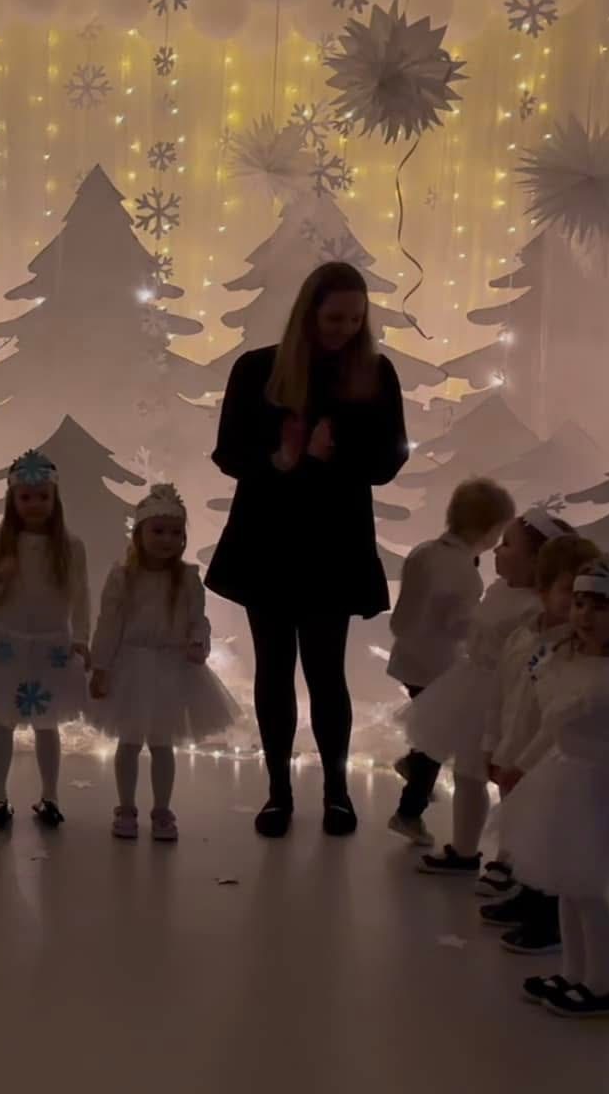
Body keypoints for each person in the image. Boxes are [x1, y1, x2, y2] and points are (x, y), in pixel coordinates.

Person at [208, 261, 410, 838]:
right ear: (309, 313)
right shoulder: (257, 369)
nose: (345, 329)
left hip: (333, 543)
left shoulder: (374, 374)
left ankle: (336, 794)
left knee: (326, 671)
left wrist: (331, 455)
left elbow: (388, 461)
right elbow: (228, 452)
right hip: (267, 539)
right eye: (334, 317)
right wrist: (281, 458)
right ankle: (278, 793)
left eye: (355, 318)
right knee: (272, 669)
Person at [502, 558, 609, 1019]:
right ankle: (572, 973)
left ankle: (599, 986)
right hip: (560, 783)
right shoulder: (565, 662)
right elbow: (553, 726)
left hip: (600, 794)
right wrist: (521, 765)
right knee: (566, 886)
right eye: (580, 603)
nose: (585, 614)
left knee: (588, 893)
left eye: (601, 607)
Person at [386, 486, 534, 861]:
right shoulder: (465, 574)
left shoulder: (424, 552)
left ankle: (415, 767)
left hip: (409, 658)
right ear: (487, 531)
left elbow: (405, 615)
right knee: (442, 737)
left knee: (435, 734)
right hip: (440, 666)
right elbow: (459, 626)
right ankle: (409, 807)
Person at [88, 484, 237, 842]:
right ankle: (126, 806)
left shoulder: (186, 579)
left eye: (175, 533)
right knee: (128, 741)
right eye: (158, 531)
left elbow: (198, 620)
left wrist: (198, 642)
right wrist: (100, 667)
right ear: (139, 533)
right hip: (131, 667)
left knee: (162, 744)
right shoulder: (123, 576)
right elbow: (109, 624)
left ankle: (162, 809)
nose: (167, 540)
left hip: (171, 669)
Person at [481, 534, 602, 954]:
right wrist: (492, 744)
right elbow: (501, 694)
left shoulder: (577, 650)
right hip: (515, 748)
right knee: (522, 828)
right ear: (544, 588)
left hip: (548, 759)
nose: (580, 605)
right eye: (570, 591)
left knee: (548, 835)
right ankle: (528, 892)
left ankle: (548, 916)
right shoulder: (523, 636)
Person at [0, 449, 90, 830]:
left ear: (55, 498)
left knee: (47, 723)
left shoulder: (70, 545)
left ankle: (50, 796)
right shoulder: (0, 539)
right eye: (26, 497)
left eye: (42, 496)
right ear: (13, 499)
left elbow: (81, 595)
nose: (35, 504)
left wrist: (82, 638)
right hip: (7, 643)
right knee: (3, 721)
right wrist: (2, 576)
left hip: (50, 646)